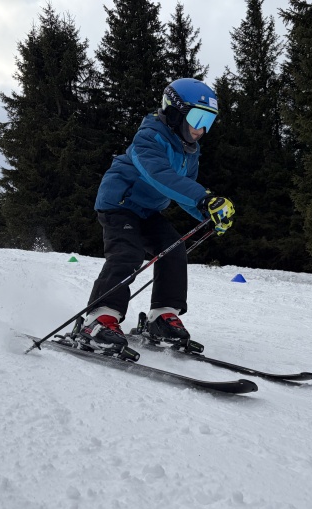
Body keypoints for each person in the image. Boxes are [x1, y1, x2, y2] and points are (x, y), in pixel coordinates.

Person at [74, 78, 235, 352]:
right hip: (120, 204)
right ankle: (99, 317)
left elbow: (182, 192)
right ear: (174, 112)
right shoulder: (149, 137)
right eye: (197, 118)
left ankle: (161, 316)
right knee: (128, 253)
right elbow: (161, 176)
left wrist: (206, 216)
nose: (201, 129)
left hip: (148, 210)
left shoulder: (190, 152)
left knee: (173, 249)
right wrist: (205, 199)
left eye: (208, 122)